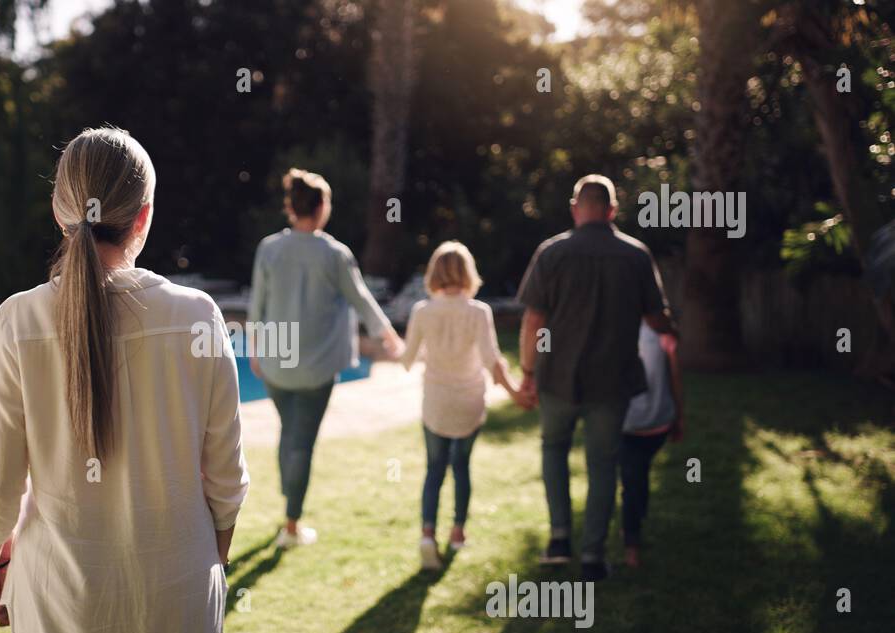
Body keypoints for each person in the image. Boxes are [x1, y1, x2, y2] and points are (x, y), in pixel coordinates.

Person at [0, 128, 249, 633]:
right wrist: (210, 561)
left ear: (58, 210)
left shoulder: (20, 321)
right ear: (143, 218)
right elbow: (226, 481)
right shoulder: (197, 316)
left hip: (64, 604)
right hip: (178, 600)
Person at [514, 174, 675, 582]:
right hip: (612, 379)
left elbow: (534, 319)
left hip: (557, 378)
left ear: (575, 208)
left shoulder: (551, 253)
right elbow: (656, 317)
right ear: (612, 211)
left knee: (554, 450)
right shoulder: (636, 255)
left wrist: (528, 372)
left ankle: (558, 540)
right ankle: (592, 556)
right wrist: (672, 327)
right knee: (603, 464)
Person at [248, 168, 404, 548]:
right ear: (320, 208)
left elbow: (257, 306)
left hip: (275, 367)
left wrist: (255, 351)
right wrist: (388, 336)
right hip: (318, 370)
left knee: (289, 435)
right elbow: (362, 299)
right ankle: (291, 524)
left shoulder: (269, 248)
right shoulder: (335, 254)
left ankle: (289, 504)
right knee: (302, 442)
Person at [401, 242, 520, 570]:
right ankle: (457, 533)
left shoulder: (422, 311)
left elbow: (407, 360)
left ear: (434, 274)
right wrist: (516, 391)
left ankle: (427, 534)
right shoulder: (479, 312)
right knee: (462, 467)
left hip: (436, 402)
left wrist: (394, 345)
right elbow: (492, 361)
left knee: (434, 470)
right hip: (469, 401)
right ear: (468, 273)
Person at [619, 323, 684, 568]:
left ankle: (632, 536)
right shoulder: (615, 325)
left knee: (635, 477)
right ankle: (631, 538)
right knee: (633, 479)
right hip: (626, 423)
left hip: (655, 421)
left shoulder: (660, 331)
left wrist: (679, 416)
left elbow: (675, 376)